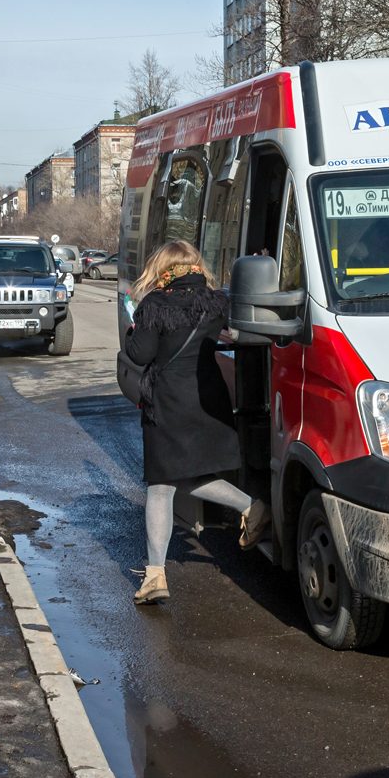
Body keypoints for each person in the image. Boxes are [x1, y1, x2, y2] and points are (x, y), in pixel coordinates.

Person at [125, 241, 268, 604]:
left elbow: (139, 354)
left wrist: (133, 327)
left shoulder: (154, 305)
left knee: (161, 484)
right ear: (195, 266)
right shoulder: (217, 301)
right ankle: (251, 507)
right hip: (207, 401)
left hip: (168, 404)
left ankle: (156, 575)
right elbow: (234, 333)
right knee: (186, 476)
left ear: (163, 268)